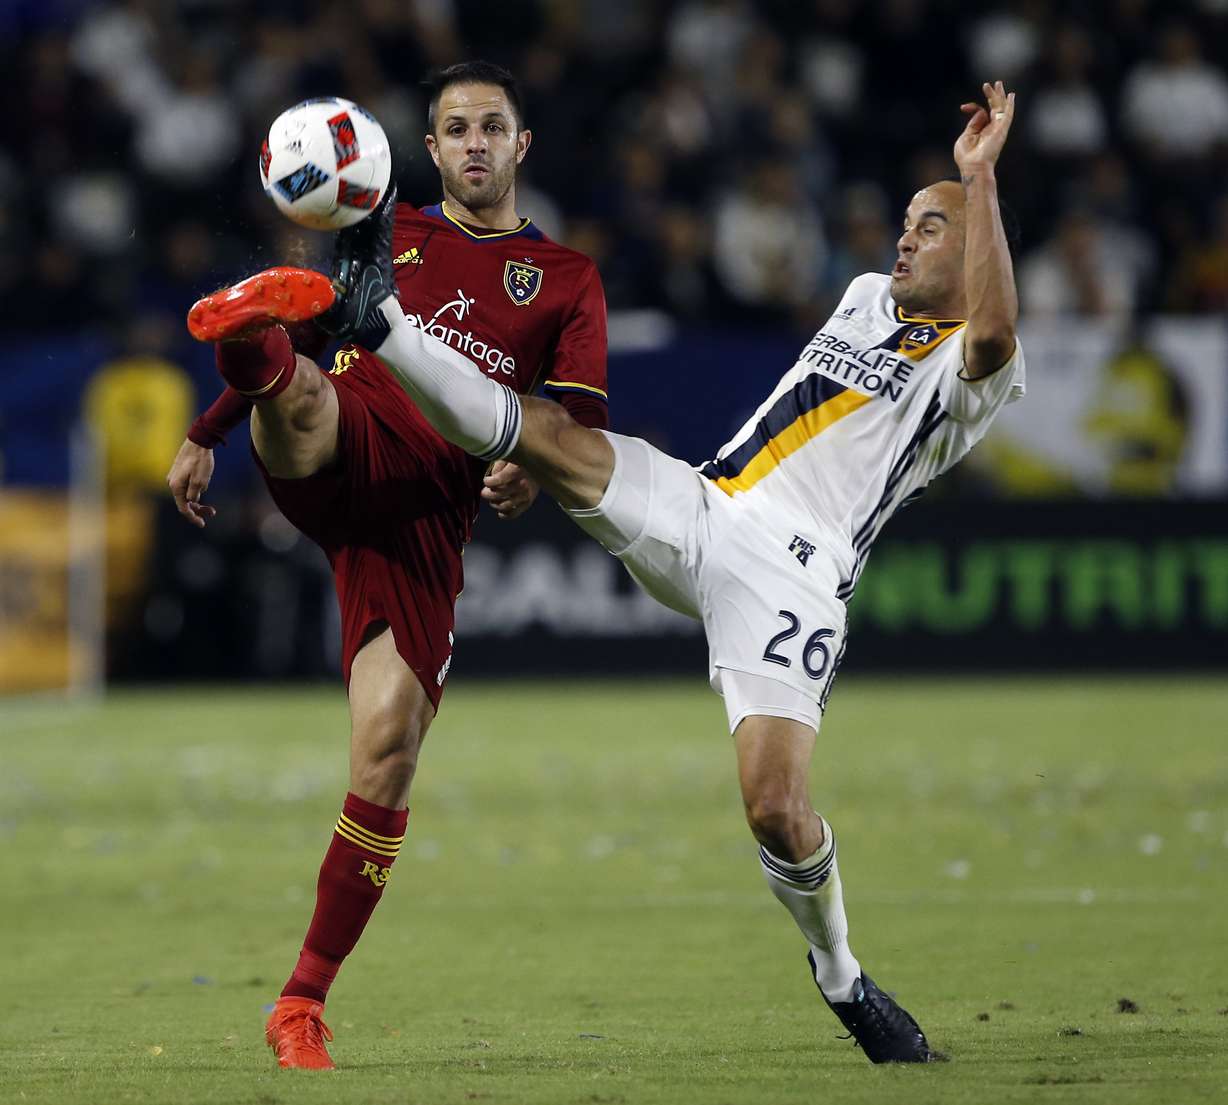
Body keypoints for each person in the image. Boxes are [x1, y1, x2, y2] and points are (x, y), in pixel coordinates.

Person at [192, 82, 1023, 1064]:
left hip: (792, 581)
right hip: (703, 508)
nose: (903, 241)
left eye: (929, 230)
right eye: (907, 223)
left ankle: (839, 974)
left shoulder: (975, 375)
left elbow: (997, 331)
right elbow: (565, 423)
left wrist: (976, 181)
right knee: (541, 430)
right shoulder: (860, 300)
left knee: (775, 808)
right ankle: (372, 324)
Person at [171, 61, 610, 1070]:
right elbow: (335, 333)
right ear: (431, 144)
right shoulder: (391, 230)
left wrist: (527, 473)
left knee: (388, 750)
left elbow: (577, 424)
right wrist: (207, 432)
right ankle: (253, 349)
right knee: (312, 391)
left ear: (520, 144)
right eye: (454, 127)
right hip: (352, 433)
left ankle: (299, 1006)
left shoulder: (568, 280)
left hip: (426, 514)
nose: (472, 143)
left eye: (490, 126)